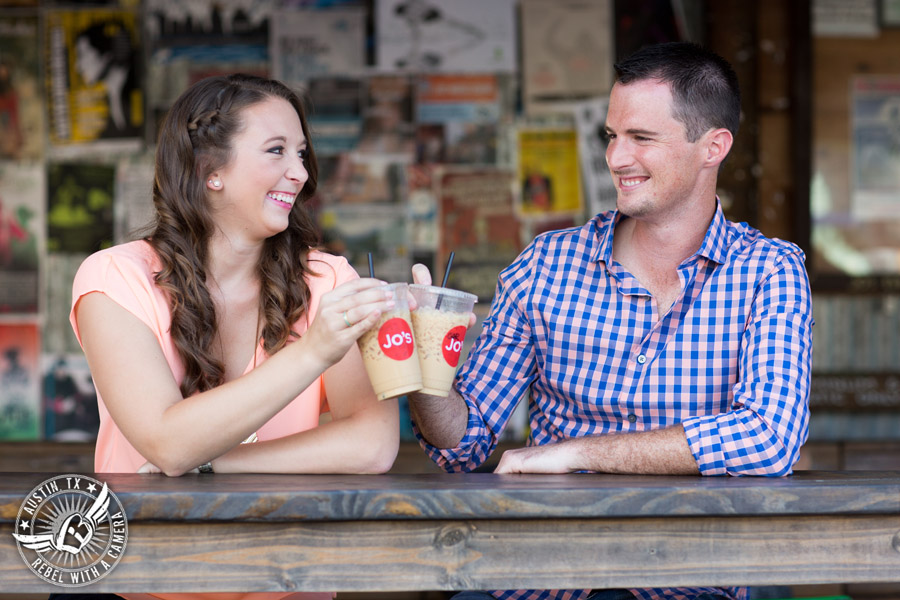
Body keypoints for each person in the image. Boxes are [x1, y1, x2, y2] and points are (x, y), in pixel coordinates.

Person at [408, 42, 813, 600]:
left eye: (641, 139)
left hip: (687, 582)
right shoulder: (545, 264)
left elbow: (769, 439)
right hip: (537, 577)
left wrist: (574, 454)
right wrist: (423, 362)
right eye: (611, 136)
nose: (616, 158)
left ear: (713, 147)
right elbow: (466, 445)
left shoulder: (770, 271)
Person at [66, 74, 400, 600]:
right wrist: (314, 351)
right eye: (276, 151)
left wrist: (216, 463)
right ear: (210, 172)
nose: (299, 172)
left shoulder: (328, 281)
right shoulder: (114, 279)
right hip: (141, 583)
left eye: (302, 153)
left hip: (287, 579)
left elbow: (372, 444)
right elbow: (168, 443)